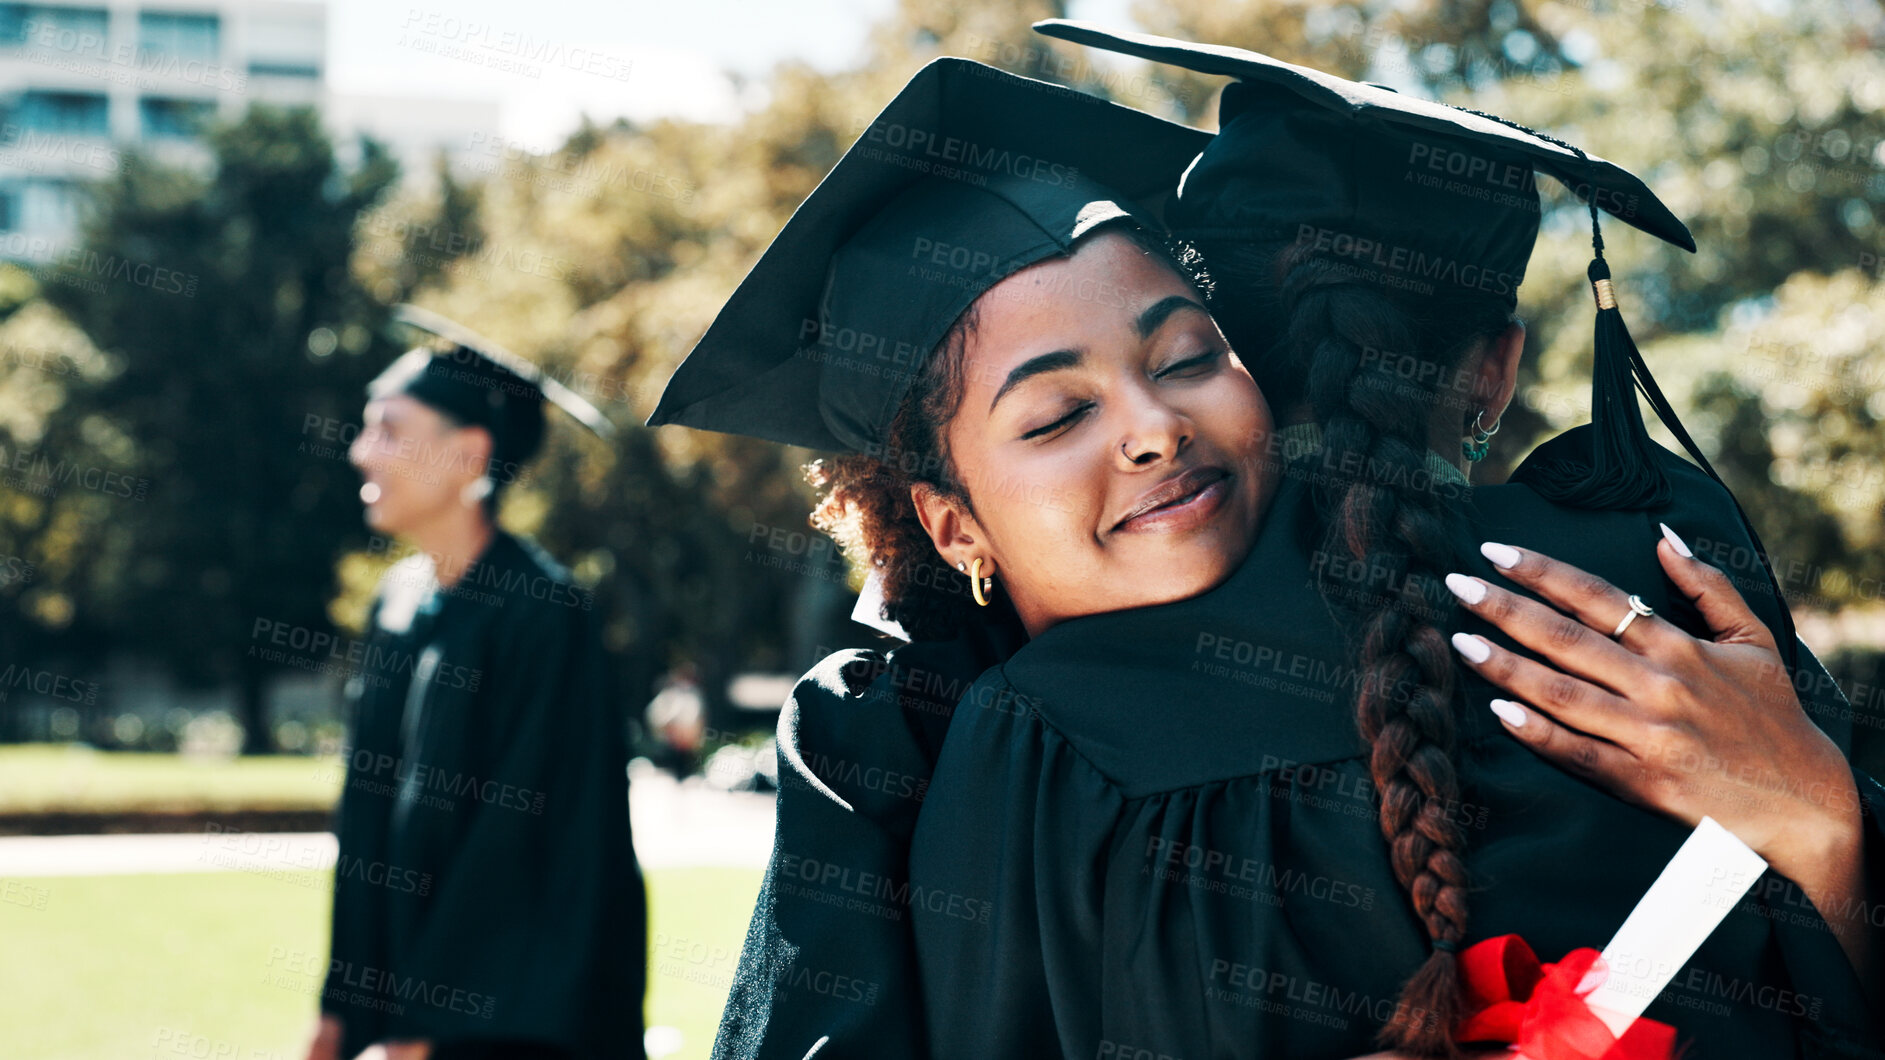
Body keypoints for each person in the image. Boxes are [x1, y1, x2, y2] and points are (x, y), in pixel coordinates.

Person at [878, 21, 1882, 1060]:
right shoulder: (1677, 588)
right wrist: (1826, 828)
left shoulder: (1048, 722)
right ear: (1495, 369)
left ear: (1237, 359)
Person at [643, 57, 1269, 1059]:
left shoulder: (1423, 644)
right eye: (1059, 413)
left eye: (1187, 358)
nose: (1155, 428)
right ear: (952, 526)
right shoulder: (883, 747)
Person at [308, 306, 646, 1060]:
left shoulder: (544, 615)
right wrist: (342, 1008)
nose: (362, 451)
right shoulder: (397, 604)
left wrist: (431, 1027)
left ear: (468, 455)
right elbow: (366, 823)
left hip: (513, 1026)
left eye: (390, 430)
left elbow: (524, 842)